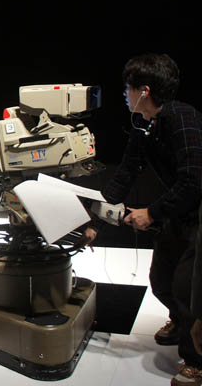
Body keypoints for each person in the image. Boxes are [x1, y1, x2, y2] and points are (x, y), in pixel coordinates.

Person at [86, 53, 202, 385]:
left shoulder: (182, 118)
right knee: (161, 281)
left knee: (187, 289)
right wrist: (96, 223)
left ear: (144, 91)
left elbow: (194, 181)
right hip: (178, 213)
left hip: (199, 215)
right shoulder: (143, 125)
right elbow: (124, 175)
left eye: (129, 88)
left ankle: (195, 361)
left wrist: (151, 212)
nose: (125, 94)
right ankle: (181, 322)